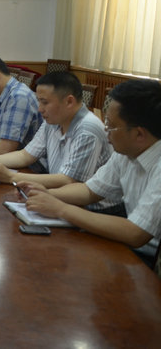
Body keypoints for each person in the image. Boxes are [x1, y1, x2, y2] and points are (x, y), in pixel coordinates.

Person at [19, 80, 161, 261]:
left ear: (139, 134)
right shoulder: (126, 152)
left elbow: (136, 233)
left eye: (111, 125)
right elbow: (90, 190)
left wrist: (61, 209)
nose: (106, 131)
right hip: (128, 247)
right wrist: (46, 193)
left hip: (149, 260)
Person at [0, 71, 118, 213]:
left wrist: (11, 177)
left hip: (95, 210)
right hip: (61, 198)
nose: (39, 109)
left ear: (69, 101)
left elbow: (69, 180)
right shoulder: (53, 120)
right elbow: (25, 155)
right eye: (38, 101)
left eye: (44, 102)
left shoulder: (88, 129)